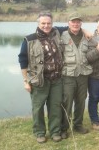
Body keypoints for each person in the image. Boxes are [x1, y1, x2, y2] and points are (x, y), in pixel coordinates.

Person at [18, 12, 63, 143]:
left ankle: (55, 131)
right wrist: (25, 81)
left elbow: (73, 25)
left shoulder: (56, 33)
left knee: (55, 107)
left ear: (52, 24)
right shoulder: (29, 39)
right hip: (39, 81)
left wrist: (86, 31)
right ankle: (39, 132)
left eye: (48, 23)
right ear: (38, 24)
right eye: (43, 23)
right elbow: (22, 60)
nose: (46, 25)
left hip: (56, 80)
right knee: (38, 109)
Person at [60, 15, 93, 138]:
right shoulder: (61, 35)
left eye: (78, 22)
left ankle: (78, 125)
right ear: (68, 23)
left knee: (81, 101)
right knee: (67, 102)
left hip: (83, 74)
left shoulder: (87, 37)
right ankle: (64, 128)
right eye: (73, 22)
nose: (75, 24)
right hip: (68, 75)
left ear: (81, 23)